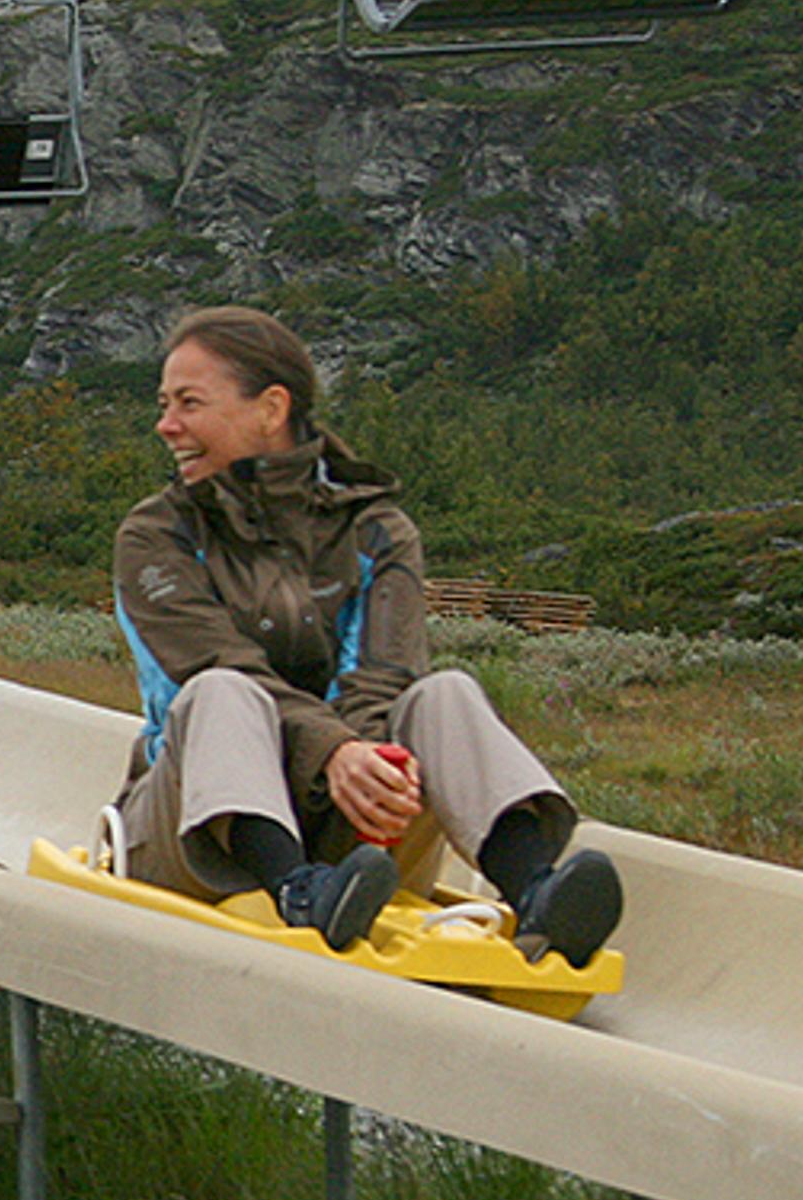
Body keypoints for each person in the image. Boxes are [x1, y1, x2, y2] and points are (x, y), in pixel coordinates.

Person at [111, 305, 619, 964]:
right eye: (165, 405)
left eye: (188, 403)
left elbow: (384, 673)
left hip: (347, 831)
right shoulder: (156, 535)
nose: (166, 425)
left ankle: (538, 893)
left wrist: (363, 765)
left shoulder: (377, 531)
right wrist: (333, 751)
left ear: (270, 409)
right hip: (193, 828)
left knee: (443, 693)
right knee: (223, 691)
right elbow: (210, 660)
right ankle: (296, 888)